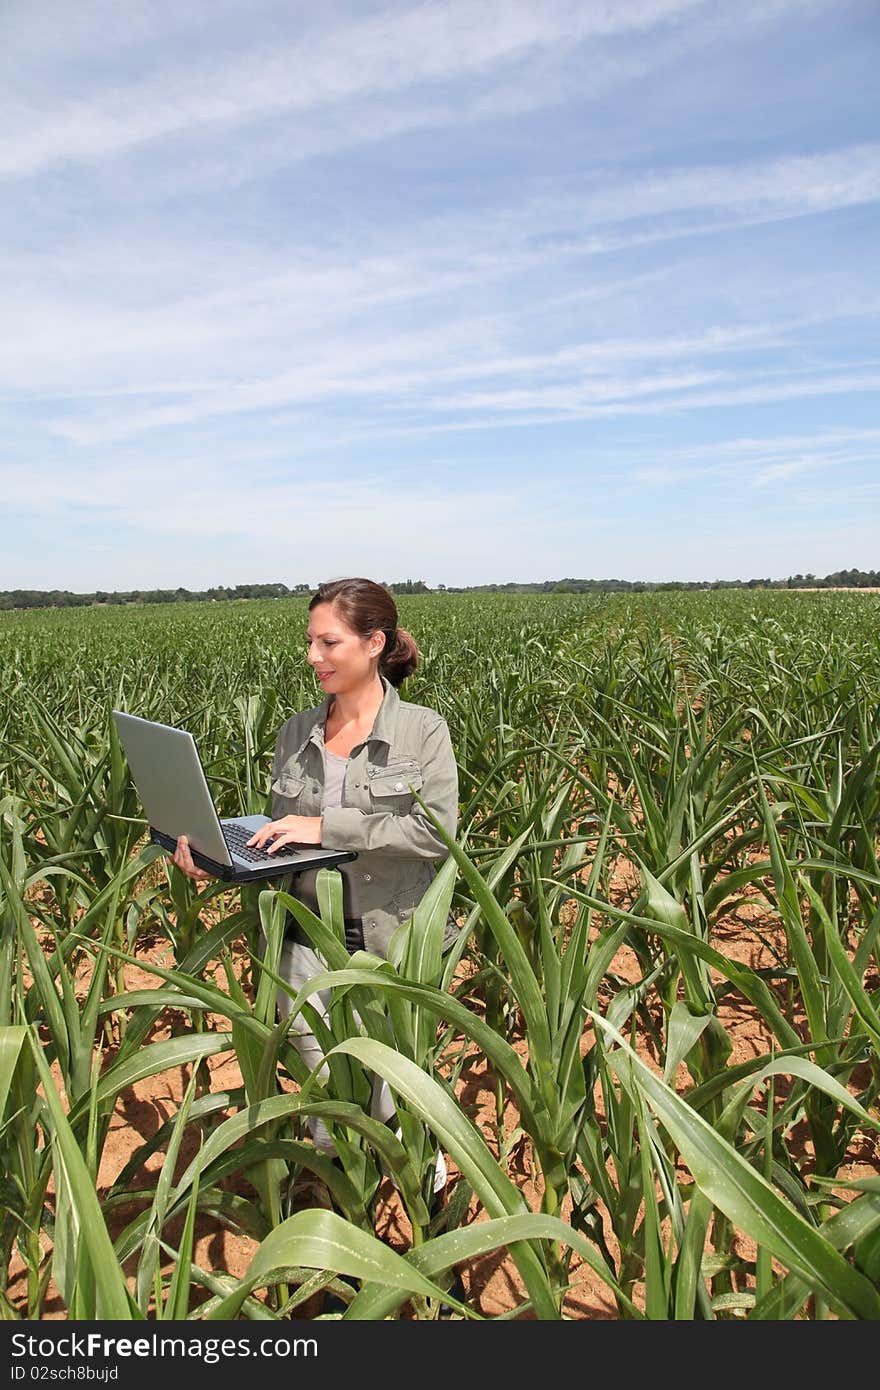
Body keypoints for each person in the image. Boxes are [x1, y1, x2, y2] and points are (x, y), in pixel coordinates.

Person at [173, 576, 459, 1184]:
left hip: (389, 946)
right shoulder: (295, 733)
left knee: (397, 1107)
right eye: (310, 642)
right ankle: (345, 1232)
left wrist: (327, 827)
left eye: (328, 643)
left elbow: (434, 835)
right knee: (327, 1107)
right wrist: (219, 860)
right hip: (303, 947)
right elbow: (283, 838)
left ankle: (423, 1218)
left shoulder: (422, 732)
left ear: (374, 642)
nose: (313, 657)